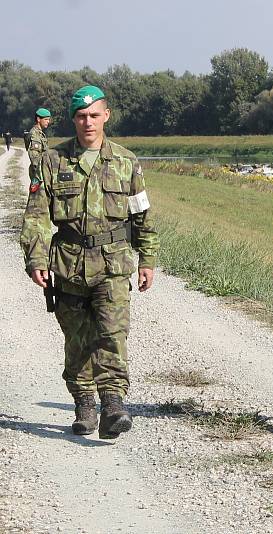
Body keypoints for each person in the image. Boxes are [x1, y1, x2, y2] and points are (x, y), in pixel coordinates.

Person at [19, 85, 159, 439]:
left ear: (106, 116)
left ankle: (113, 404)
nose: (88, 122)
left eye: (94, 115)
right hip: (68, 264)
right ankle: (84, 403)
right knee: (77, 340)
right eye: (81, 116)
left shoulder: (127, 162)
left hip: (112, 265)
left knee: (113, 334)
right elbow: (36, 215)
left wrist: (148, 258)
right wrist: (36, 256)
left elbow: (142, 216)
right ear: (73, 119)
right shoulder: (52, 161)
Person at [25, 108, 51, 181]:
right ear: (38, 119)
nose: (48, 122)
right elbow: (35, 158)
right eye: (46, 119)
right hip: (39, 174)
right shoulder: (35, 134)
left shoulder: (39, 133)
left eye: (48, 119)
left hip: (42, 171)